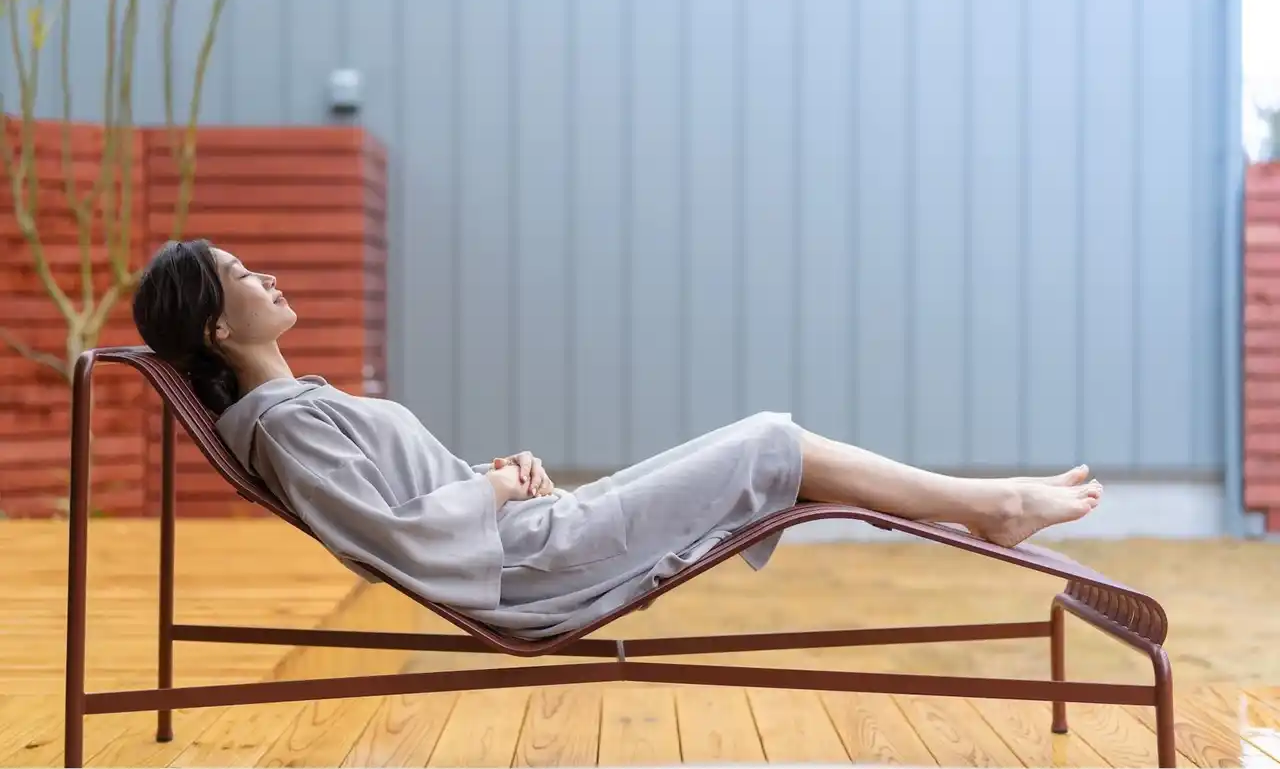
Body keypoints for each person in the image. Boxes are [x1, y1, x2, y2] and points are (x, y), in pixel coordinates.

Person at [131, 239, 1103, 639]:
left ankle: (989, 504)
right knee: (770, 440)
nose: (266, 277)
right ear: (216, 326)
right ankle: (992, 506)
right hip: (531, 566)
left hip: (528, 535)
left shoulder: (299, 408)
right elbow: (392, 539)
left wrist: (494, 476)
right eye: (242, 276)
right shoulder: (288, 427)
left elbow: (413, 501)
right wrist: (495, 495)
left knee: (771, 444)